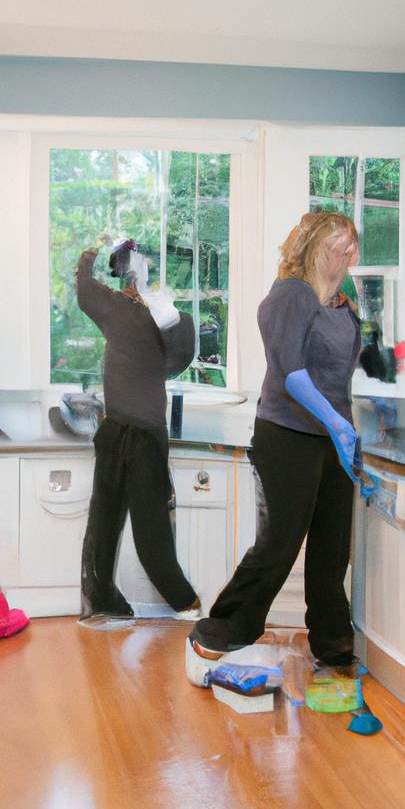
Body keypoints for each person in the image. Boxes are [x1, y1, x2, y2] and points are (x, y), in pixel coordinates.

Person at [189, 210, 362, 668]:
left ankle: (332, 639)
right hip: (288, 434)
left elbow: (341, 373)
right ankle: (225, 627)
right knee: (282, 540)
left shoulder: (343, 306)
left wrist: (347, 425)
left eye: (350, 247)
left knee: (333, 545)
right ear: (310, 251)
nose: (345, 255)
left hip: (332, 439)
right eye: (335, 247)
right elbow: (293, 376)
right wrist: (340, 425)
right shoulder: (290, 295)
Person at [76, 239, 200, 619]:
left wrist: (169, 317)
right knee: (104, 523)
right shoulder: (116, 306)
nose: (134, 270)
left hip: (144, 434)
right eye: (128, 263)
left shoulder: (164, 314)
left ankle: (185, 603)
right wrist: (93, 248)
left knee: (149, 529)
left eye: (138, 263)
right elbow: (83, 289)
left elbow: (180, 358)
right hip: (115, 430)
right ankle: (101, 602)